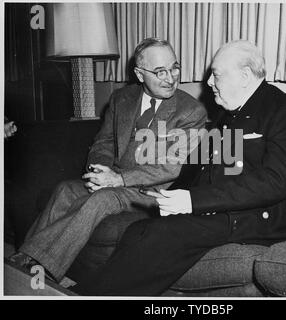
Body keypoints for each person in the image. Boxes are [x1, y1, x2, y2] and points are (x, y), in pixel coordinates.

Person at [73, 40, 286, 296]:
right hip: (236, 204)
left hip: (276, 214)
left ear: (244, 76)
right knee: (138, 230)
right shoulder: (228, 114)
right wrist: (169, 195)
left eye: (216, 75)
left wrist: (192, 202)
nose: (208, 83)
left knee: (161, 236)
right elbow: (203, 167)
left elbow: (275, 182)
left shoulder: (284, 110)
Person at [9, 38, 207, 283]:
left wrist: (118, 179)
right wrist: (98, 171)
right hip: (114, 178)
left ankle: (44, 268)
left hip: (152, 191)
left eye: (174, 67)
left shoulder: (190, 112)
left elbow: (172, 166)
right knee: (66, 189)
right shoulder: (122, 98)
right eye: (160, 71)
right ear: (139, 74)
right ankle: (26, 255)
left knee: (102, 199)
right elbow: (104, 142)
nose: (171, 77)